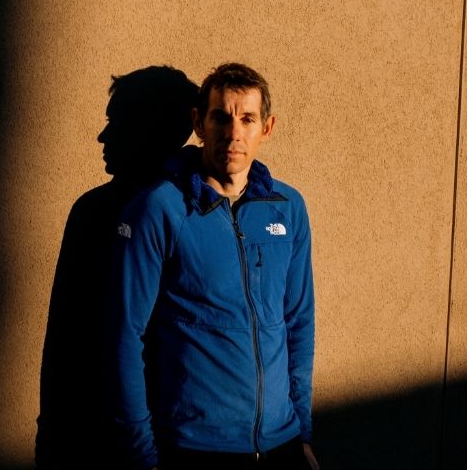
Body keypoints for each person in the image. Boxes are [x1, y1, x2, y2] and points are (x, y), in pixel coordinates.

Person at [107, 62, 319, 469]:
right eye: (220, 116)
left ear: (267, 128)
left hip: (282, 445)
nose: (234, 132)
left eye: (247, 119)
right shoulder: (159, 209)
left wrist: (303, 435)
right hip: (195, 449)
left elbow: (298, 322)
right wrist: (142, 456)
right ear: (198, 123)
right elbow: (123, 336)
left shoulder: (288, 209)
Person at [37, 66, 199, 468]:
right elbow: (66, 340)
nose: (102, 136)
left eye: (116, 123)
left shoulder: (201, 215)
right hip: (98, 440)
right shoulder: (94, 213)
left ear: (152, 129)